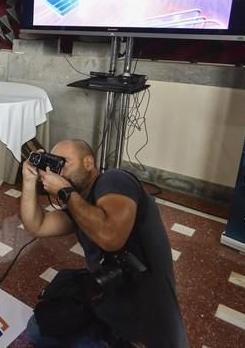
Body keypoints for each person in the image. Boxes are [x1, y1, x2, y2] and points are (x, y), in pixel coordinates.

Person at [21, 140, 188, 347]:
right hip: (106, 307)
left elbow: (111, 237)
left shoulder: (115, 179)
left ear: (89, 162)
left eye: (64, 163)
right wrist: (29, 182)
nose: (59, 172)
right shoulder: (80, 204)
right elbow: (37, 226)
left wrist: (65, 191)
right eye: (54, 164)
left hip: (146, 324)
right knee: (37, 330)